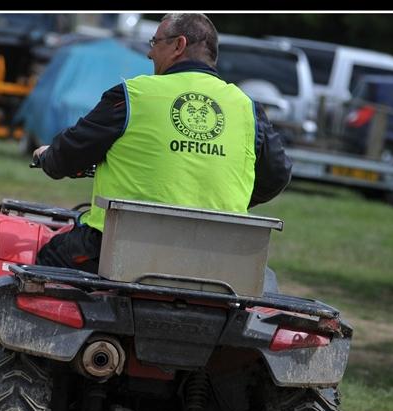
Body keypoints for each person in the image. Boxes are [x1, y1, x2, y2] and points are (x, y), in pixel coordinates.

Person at [32, 13, 292, 274]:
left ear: (178, 45)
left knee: (46, 261)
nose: (149, 53)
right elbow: (277, 175)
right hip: (216, 259)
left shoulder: (133, 96)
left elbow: (69, 154)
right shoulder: (246, 107)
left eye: (155, 42)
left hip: (117, 250)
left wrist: (48, 157)